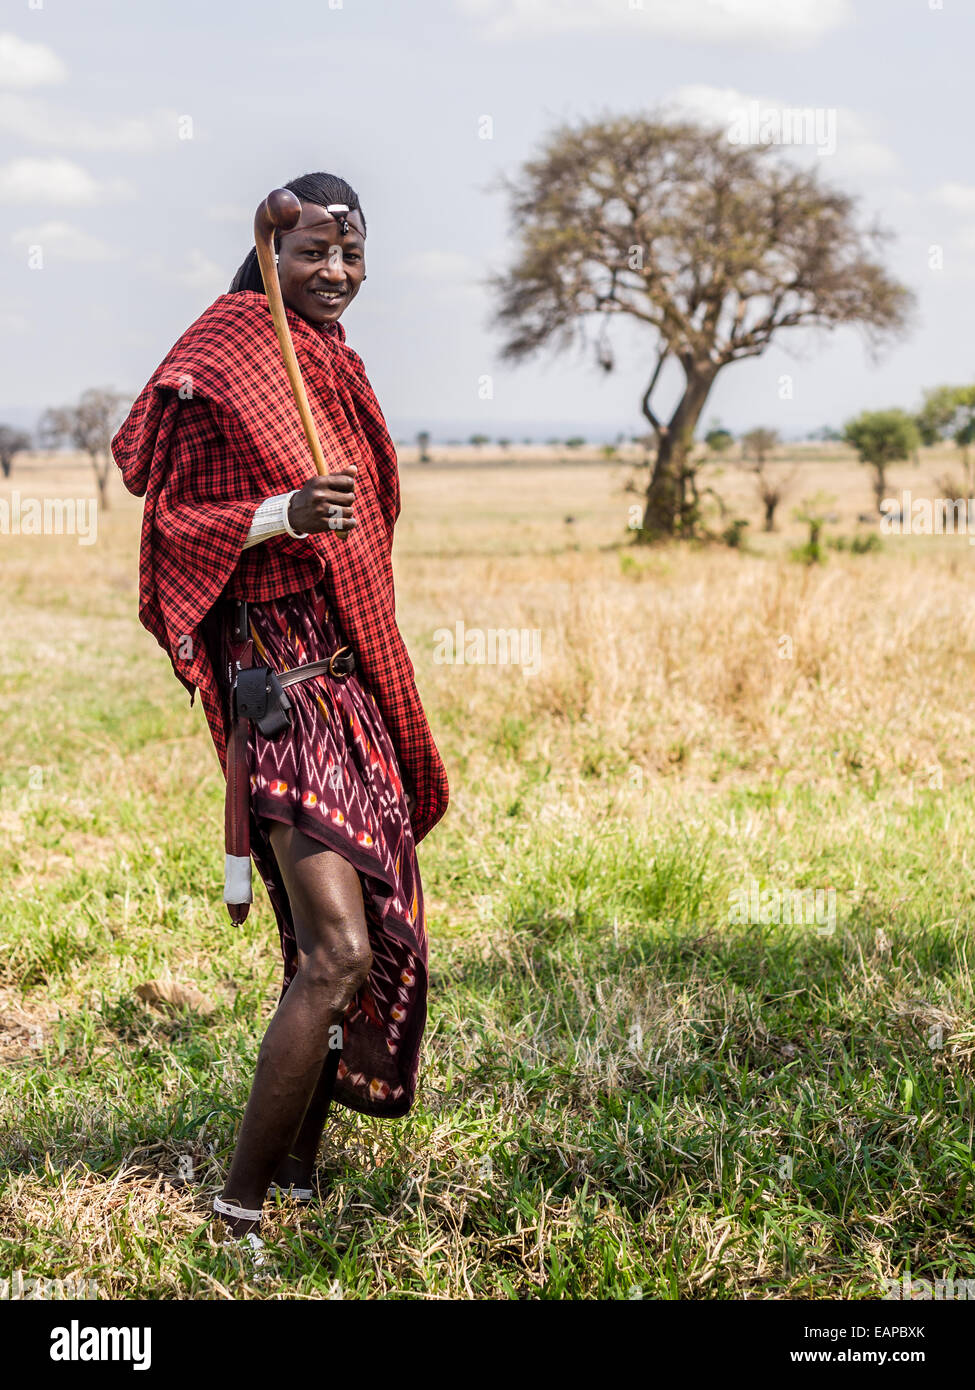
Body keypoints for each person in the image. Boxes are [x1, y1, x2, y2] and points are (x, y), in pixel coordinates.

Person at [111, 171, 449, 1258]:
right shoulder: (227, 349)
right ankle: (236, 1207)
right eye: (312, 253)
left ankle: (300, 1176)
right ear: (271, 253)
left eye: (352, 254)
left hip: (344, 687)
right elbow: (162, 513)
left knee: (344, 940)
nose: (336, 273)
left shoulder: (332, 364)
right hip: (280, 694)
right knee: (336, 951)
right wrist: (280, 513)